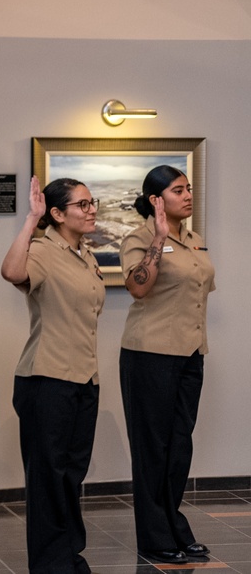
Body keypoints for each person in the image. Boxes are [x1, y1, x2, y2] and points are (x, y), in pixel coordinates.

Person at [0, 176, 105, 573]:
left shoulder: (85, 254)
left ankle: (68, 553)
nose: (91, 208)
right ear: (57, 213)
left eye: (92, 202)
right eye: (82, 204)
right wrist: (31, 220)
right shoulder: (43, 249)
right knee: (48, 477)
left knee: (71, 474)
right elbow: (11, 272)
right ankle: (49, 563)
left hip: (84, 378)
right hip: (47, 378)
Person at [119, 165, 215, 565]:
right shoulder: (139, 238)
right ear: (156, 200)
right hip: (150, 355)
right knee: (152, 449)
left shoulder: (194, 239)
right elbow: (138, 287)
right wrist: (159, 238)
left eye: (189, 188)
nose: (188, 195)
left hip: (191, 354)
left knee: (179, 447)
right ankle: (154, 537)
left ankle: (173, 525)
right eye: (178, 190)